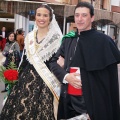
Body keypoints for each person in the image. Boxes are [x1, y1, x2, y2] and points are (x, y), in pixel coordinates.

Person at [50, 2, 120, 120]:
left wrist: (95, 110)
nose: (80, 19)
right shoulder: (68, 40)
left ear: (92, 18)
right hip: (68, 101)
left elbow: (107, 81)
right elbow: (53, 62)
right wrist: (66, 76)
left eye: (84, 15)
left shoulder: (104, 41)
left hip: (90, 104)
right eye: (77, 15)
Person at [0, 4, 62, 120]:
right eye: (39, 15)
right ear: (35, 17)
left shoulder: (57, 38)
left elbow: (57, 63)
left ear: (50, 18)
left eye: (45, 15)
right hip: (26, 79)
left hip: (46, 82)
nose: (41, 18)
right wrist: (15, 78)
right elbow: (25, 60)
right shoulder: (29, 37)